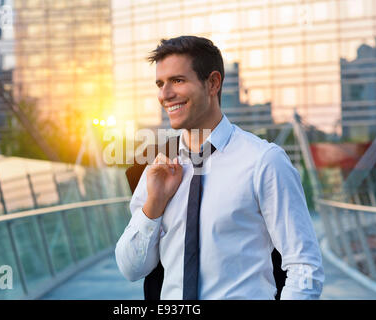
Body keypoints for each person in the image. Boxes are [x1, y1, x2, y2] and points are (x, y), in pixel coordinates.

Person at [115, 35, 324, 300]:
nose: (165, 95)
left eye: (177, 81)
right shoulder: (156, 167)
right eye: (160, 83)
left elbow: (304, 267)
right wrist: (154, 204)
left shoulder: (263, 161)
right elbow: (131, 268)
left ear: (213, 83)